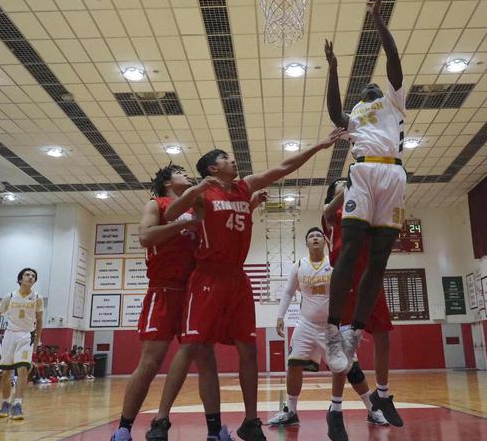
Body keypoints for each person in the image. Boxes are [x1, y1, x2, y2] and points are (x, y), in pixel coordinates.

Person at [145, 128, 343, 441]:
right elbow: (170, 212)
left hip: (237, 278)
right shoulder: (202, 194)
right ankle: (160, 420)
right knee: (190, 347)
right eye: (226, 158)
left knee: (248, 350)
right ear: (213, 168)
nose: (233, 160)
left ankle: (251, 422)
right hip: (207, 276)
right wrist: (195, 190)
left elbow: (282, 168)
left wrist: (319, 146)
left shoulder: (243, 187)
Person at [323, 0, 407, 376]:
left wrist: (377, 20)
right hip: (363, 171)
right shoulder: (355, 116)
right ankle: (332, 329)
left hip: (393, 174)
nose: (372, 86)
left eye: (376, 85)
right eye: (366, 87)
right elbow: (333, 110)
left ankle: (355, 332)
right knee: (350, 246)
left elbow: (392, 58)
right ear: (361, 99)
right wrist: (334, 68)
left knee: (379, 259)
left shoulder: (393, 101)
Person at [111, 165, 214, 441]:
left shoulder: (196, 206)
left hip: (193, 292)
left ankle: (190, 426)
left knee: (206, 360)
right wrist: (183, 224)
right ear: (168, 180)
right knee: (150, 362)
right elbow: (145, 237)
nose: (187, 175)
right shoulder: (156, 204)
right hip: (163, 290)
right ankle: (124, 428)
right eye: (181, 172)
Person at [267, 227, 389, 440]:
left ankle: (372, 410)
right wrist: (280, 316)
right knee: (294, 364)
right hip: (306, 324)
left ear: (324, 242)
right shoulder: (299, 265)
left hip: (333, 325)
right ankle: (291, 412)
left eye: (318, 236)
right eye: (310, 237)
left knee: (352, 370)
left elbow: (351, 290)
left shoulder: (335, 265)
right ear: (306, 243)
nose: (315, 238)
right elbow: (287, 291)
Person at [321, 179, 402, 429]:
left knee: (383, 335)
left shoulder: (366, 210)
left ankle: (383, 393)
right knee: (344, 348)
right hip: (345, 280)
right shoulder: (333, 213)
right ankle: (335, 408)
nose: (347, 184)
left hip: (369, 276)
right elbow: (326, 211)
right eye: (341, 184)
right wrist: (349, 186)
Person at [0, 268, 43, 421]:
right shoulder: (9, 297)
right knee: (5, 372)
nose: (30, 277)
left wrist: (37, 340)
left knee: (23, 369)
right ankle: (6, 403)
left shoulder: (37, 297)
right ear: (20, 279)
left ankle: (18, 404)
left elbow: (40, 321)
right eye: (27, 275)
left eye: (33, 276)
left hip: (26, 335)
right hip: (10, 335)